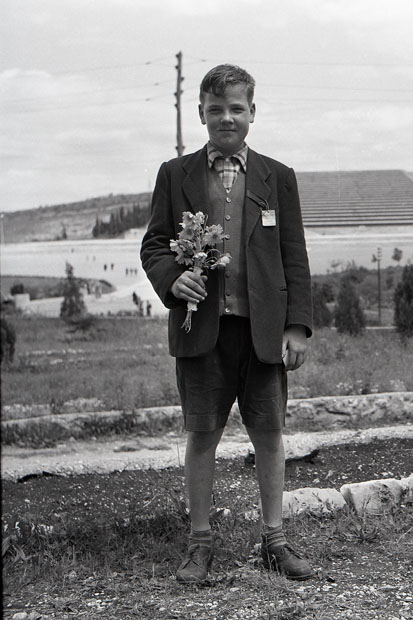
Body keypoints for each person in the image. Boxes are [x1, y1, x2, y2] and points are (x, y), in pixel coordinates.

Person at [140, 64, 313, 583]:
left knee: (270, 434)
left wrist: (297, 326)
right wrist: (173, 279)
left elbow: (294, 255)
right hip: (202, 332)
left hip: (263, 333)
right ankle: (199, 543)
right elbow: (154, 244)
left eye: (237, 108)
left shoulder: (278, 177)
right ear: (201, 114)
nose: (226, 118)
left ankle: (275, 540)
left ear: (252, 112)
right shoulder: (175, 174)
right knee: (202, 435)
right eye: (215, 109)